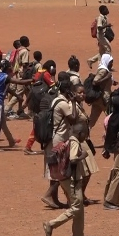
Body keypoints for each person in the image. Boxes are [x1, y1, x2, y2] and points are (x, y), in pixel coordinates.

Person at [42, 122, 87, 236]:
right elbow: (73, 160)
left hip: (66, 178)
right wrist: (83, 155)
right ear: (80, 133)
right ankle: (51, 224)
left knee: (79, 206)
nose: (86, 137)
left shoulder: (68, 140)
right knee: (77, 207)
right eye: (85, 134)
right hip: (72, 180)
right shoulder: (74, 143)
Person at [0, 50, 30, 152]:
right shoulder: (3, 76)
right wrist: (32, 80)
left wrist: (16, 95)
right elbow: (19, 81)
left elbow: (8, 88)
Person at [41, 78, 78, 209]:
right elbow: (73, 119)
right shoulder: (63, 104)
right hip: (59, 139)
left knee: (54, 169)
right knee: (61, 169)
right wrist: (73, 103)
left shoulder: (55, 99)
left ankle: (54, 199)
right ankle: (48, 195)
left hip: (53, 138)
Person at [72, 83, 100, 204]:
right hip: (77, 142)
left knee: (88, 171)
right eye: (79, 92)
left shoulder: (80, 106)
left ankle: (81, 195)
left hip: (84, 140)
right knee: (84, 171)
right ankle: (77, 196)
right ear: (73, 93)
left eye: (83, 92)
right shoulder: (72, 106)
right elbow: (72, 120)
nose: (82, 94)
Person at [88, 53, 115, 130]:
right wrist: (107, 77)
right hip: (104, 99)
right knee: (111, 117)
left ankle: (84, 135)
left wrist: (111, 81)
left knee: (92, 120)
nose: (112, 64)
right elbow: (95, 82)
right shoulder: (103, 70)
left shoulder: (103, 69)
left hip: (98, 99)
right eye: (110, 62)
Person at [87, 5, 112, 69]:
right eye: (106, 9)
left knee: (102, 52)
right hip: (101, 36)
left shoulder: (104, 17)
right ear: (102, 11)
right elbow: (99, 27)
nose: (107, 10)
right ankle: (106, 64)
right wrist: (107, 26)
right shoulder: (100, 18)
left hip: (103, 35)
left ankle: (91, 61)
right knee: (108, 49)